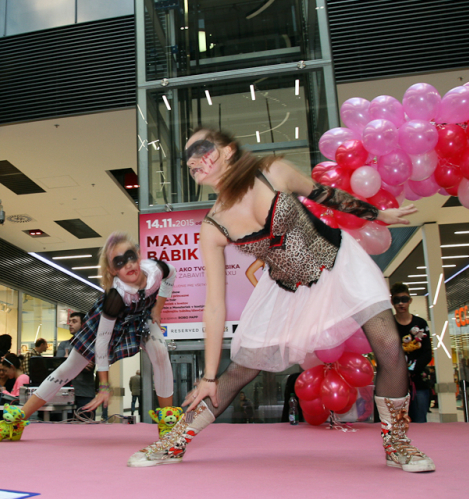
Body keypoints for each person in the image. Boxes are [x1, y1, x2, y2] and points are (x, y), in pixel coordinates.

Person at [128, 128, 434, 472]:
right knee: (239, 371)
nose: (193, 160)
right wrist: (208, 375)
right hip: (287, 290)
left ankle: (398, 446)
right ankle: (175, 441)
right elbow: (214, 304)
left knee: (390, 346)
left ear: (228, 150)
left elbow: (325, 194)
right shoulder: (213, 225)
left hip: (341, 265)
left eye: (201, 149)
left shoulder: (273, 171)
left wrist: (375, 214)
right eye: (187, 158)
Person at [0, 231, 178, 442]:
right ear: (112, 270)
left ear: (139, 256)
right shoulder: (116, 296)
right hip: (114, 322)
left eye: (130, 257)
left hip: (142, 318)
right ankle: (16, 421)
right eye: (119, 262)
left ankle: (167, 424)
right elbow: (102, 342)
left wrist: (158, 308)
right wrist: (103, 385)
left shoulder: (156, 270)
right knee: (68, 368)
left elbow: (171, 274)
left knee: (160, 351)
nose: (128, 265)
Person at [390, 283, 433, 423]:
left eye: (404, 299)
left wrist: (412, 367)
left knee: (420, 422)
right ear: (392, 302)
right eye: (397, 300)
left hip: (418, 383)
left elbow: (427, 352)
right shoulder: (389, 325)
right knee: (396, 424)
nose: (401, 303)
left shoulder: (420, 323)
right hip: (395, 385)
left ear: (410, 300)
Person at [58, 312, 95, 419]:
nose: (70, 324)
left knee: (85, 428)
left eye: (74, 322)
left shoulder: (91, 344)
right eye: (70, 321)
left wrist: (68, 360)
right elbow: (59, 366)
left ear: (83, 325)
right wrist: (81, 363)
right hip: (65, 393)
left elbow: (90, 366)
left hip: (85, 393)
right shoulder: (64, 344)